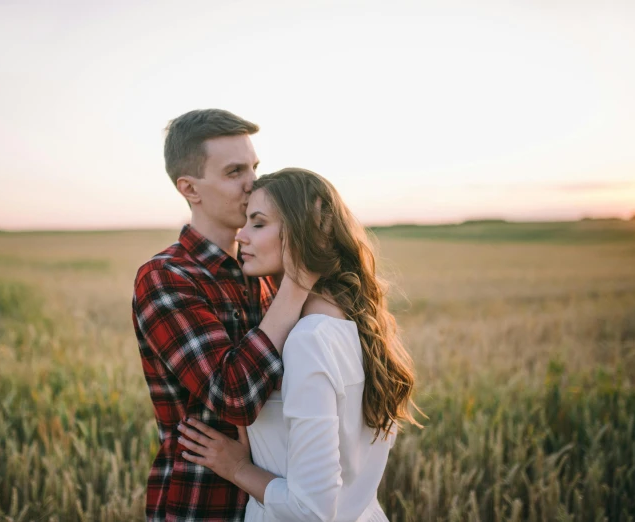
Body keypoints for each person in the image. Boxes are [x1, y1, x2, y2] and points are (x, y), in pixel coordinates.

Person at [176, 168, 420, 521]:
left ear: (299, 234)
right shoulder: (354, 322)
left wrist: (237, 469)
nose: (241, 236)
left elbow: (310, 510)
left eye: (258, 224)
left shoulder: (309, 340)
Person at [132, 110, 317, 521]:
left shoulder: (264, 273)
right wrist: (298, 284)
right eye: (235, 172)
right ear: (190, 189)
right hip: (203, 503)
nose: (253, 184)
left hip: (275, 498)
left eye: (254, 167)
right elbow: (233, 395)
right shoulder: (166, 277)